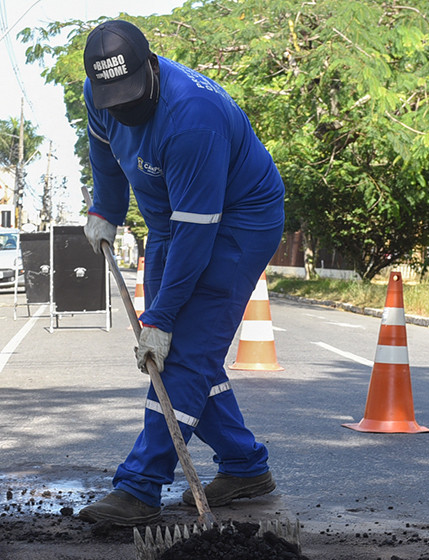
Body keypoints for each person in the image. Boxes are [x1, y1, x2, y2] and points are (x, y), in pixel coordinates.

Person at [77, 20, 285, 526]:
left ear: (151, 66)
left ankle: (140, 486)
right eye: (114, 102)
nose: (123, 110)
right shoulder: (100, 93)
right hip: (170, 219)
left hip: (238, 222)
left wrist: (163, 319)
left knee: (183, 349)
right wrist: (105, 209)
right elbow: (104, 152)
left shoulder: (193, 118)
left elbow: (198, 233)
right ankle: (244, 466)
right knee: (187, 351)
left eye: (132, 98)